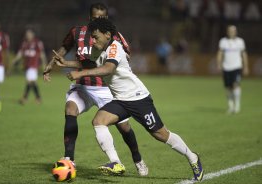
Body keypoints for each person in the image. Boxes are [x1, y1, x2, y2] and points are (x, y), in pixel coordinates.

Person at [54, 17, 204, 181]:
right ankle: (116, 162)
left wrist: (80, 74)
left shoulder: (114, 47)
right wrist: (66, 62)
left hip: (138, 98)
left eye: (96, 36)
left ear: (107, 35)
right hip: (120, 100)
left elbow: (107, 68)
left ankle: (192, 157)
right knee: (99, 121)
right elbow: (90, 64)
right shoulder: (98, 49)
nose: (93, 40)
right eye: (92, 37)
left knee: (161, 134)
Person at [43, 3, 148, 176]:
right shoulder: (77, 32)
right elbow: (64, 47)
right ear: (89, 18)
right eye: (95, 18)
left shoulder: (112, 35)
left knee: (124, 126)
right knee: (70, 109)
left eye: (102, 18)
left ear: (106, 18)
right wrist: (51, 63)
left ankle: (137, 158)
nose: (99, 20)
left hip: (105, 87)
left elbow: (125, 55)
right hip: (82, 85)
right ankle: (69, 158)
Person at [217, 25, 249, 114]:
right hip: (226, 67)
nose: (231, 32)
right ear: (227, 32)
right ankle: (230, 106)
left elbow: (244, 54)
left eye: (233, 31)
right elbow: (220, 53)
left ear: (236, 32)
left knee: (236, 85)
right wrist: (219, 64)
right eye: (230, 31)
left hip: (237, 67)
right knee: (228, 87)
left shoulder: (240, 41)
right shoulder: (223, 41)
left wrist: (246, 66)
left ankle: (237, 106)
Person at [12, 29, 47, 104]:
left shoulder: (37, 42)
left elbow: (42, 54)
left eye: (29, 34)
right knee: (32, 82)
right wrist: (15, 60)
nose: (28, 36)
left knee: (30, 81)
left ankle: (25, 98)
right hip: (27, 66)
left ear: (33, 35)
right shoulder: (24, 43)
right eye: (27, 34)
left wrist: (44, 64)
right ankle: (37, 98)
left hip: (34, 65)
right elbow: (20, 53)